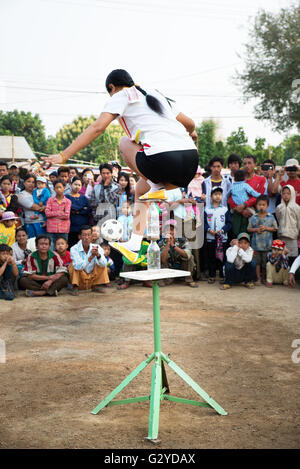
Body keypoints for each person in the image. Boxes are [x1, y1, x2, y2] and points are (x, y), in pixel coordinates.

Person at [42, 69, 199, 262]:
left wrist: (64, 155)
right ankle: (134, 241)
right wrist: (192, 135)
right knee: (140, 190)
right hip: (190, 163)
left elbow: (98, 127)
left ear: (111, 88)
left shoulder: (121, 95)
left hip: (162, 161)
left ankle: (157, 186)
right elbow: (190, 124)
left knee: (124, 142)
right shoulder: (155, 93)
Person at [228, 155, 266, 236]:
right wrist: (241, 210)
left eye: (249, 163)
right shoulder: (238, 179)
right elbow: (230, 197)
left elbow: (259, 197)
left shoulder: (261, 179)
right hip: (238, 213)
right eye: (245, 163)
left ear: (255, 164)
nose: (247, 166)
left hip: (253, 213)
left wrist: (245, 204)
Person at [68, 225, 109, 295]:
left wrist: (98, 255)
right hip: (80, 279)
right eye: (84, 235)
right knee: (72, 265)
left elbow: (104, 264)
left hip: (91, 278)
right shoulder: (74, 249)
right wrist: (90, 257)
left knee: (101, 262)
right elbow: (77, 266)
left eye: (89, 235)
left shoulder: (97, 247)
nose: (86, 238)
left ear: (92, 236)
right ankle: (75, 287)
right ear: (79, 237)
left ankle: (95, 285)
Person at [247, 195, 278, 285]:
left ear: (267, 206)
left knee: (265, 263)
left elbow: (275, 228)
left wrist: (266, 228)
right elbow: (249, 229)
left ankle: (264, 277)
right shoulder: (253, 217)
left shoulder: (271, 217)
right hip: (256, 245)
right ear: (256, 206)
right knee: (257, 263)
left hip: (267, 245)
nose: (261, 206)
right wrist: (256, 229)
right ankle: (258, 278)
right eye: (259, 205)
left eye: (263, 205)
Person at [159, 219, 198, 287]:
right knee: (161, 256)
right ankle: (167, 279)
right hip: (170, 268)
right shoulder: (161, 242)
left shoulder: (183, 240)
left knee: (190, 257)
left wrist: (173, 246)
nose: (170, 232)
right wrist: (168, 244)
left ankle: (189, 280)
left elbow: (187, 255)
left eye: (172, 229)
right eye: (168, 230)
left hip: (182, 267)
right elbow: (162, 260)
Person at [204, 187, 232, 284]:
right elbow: (204, 223)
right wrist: (208, 229)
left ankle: (222, 275)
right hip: (210, 238)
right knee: (211, 257)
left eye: (219, 194)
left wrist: (223, 230)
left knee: (222, 257)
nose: (217, 196)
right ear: (211, 196)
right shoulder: (207, 210)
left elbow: (229, 223)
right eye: (215, 194)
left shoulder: (225, 210)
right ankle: (212, 275)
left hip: (222, 238)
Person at [275, 185, 300, 263]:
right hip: (282, 235)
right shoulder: (279, 207)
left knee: (293, 257)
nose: (286, 195)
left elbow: (299, 221)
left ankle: (292, 274)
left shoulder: (296, 207)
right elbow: (278, 219)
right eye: (284, 193)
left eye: (288, 193)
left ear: (292, 194)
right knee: (282, 256)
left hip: (293, 236)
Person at [45, 179, 71, 250]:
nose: (58, 189)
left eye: (60, 187)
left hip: (63, 229)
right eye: (56, 187)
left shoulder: (67, 201)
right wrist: (59, 212)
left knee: (62, 249)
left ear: (64, 188)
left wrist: (53, 214)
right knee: (51, 249)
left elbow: (66, 215)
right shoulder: (50, 200)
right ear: (54, 189)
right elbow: (47, 213)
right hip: (51, 229)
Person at [65, 176, 90, 248]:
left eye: (79, 185)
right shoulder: (66, 197)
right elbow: (69, 207)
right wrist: (81, 208)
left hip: (82, 227)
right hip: (71, 227)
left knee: (81, 246)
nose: (77, 187)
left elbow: (88, 210)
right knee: (71, 246)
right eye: (75, 184)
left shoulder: (83, 198)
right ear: (70, 184)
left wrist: (76, 211)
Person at [18, 174, 46, 238]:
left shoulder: (39, 192)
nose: (31, 184)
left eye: (33, 182)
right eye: (28, 181)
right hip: (30, 222)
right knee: (32, 244)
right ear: (24, 182)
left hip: (42, 222)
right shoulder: (22, 195)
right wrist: (44, 207)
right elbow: (34, 207)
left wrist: (46, 207)